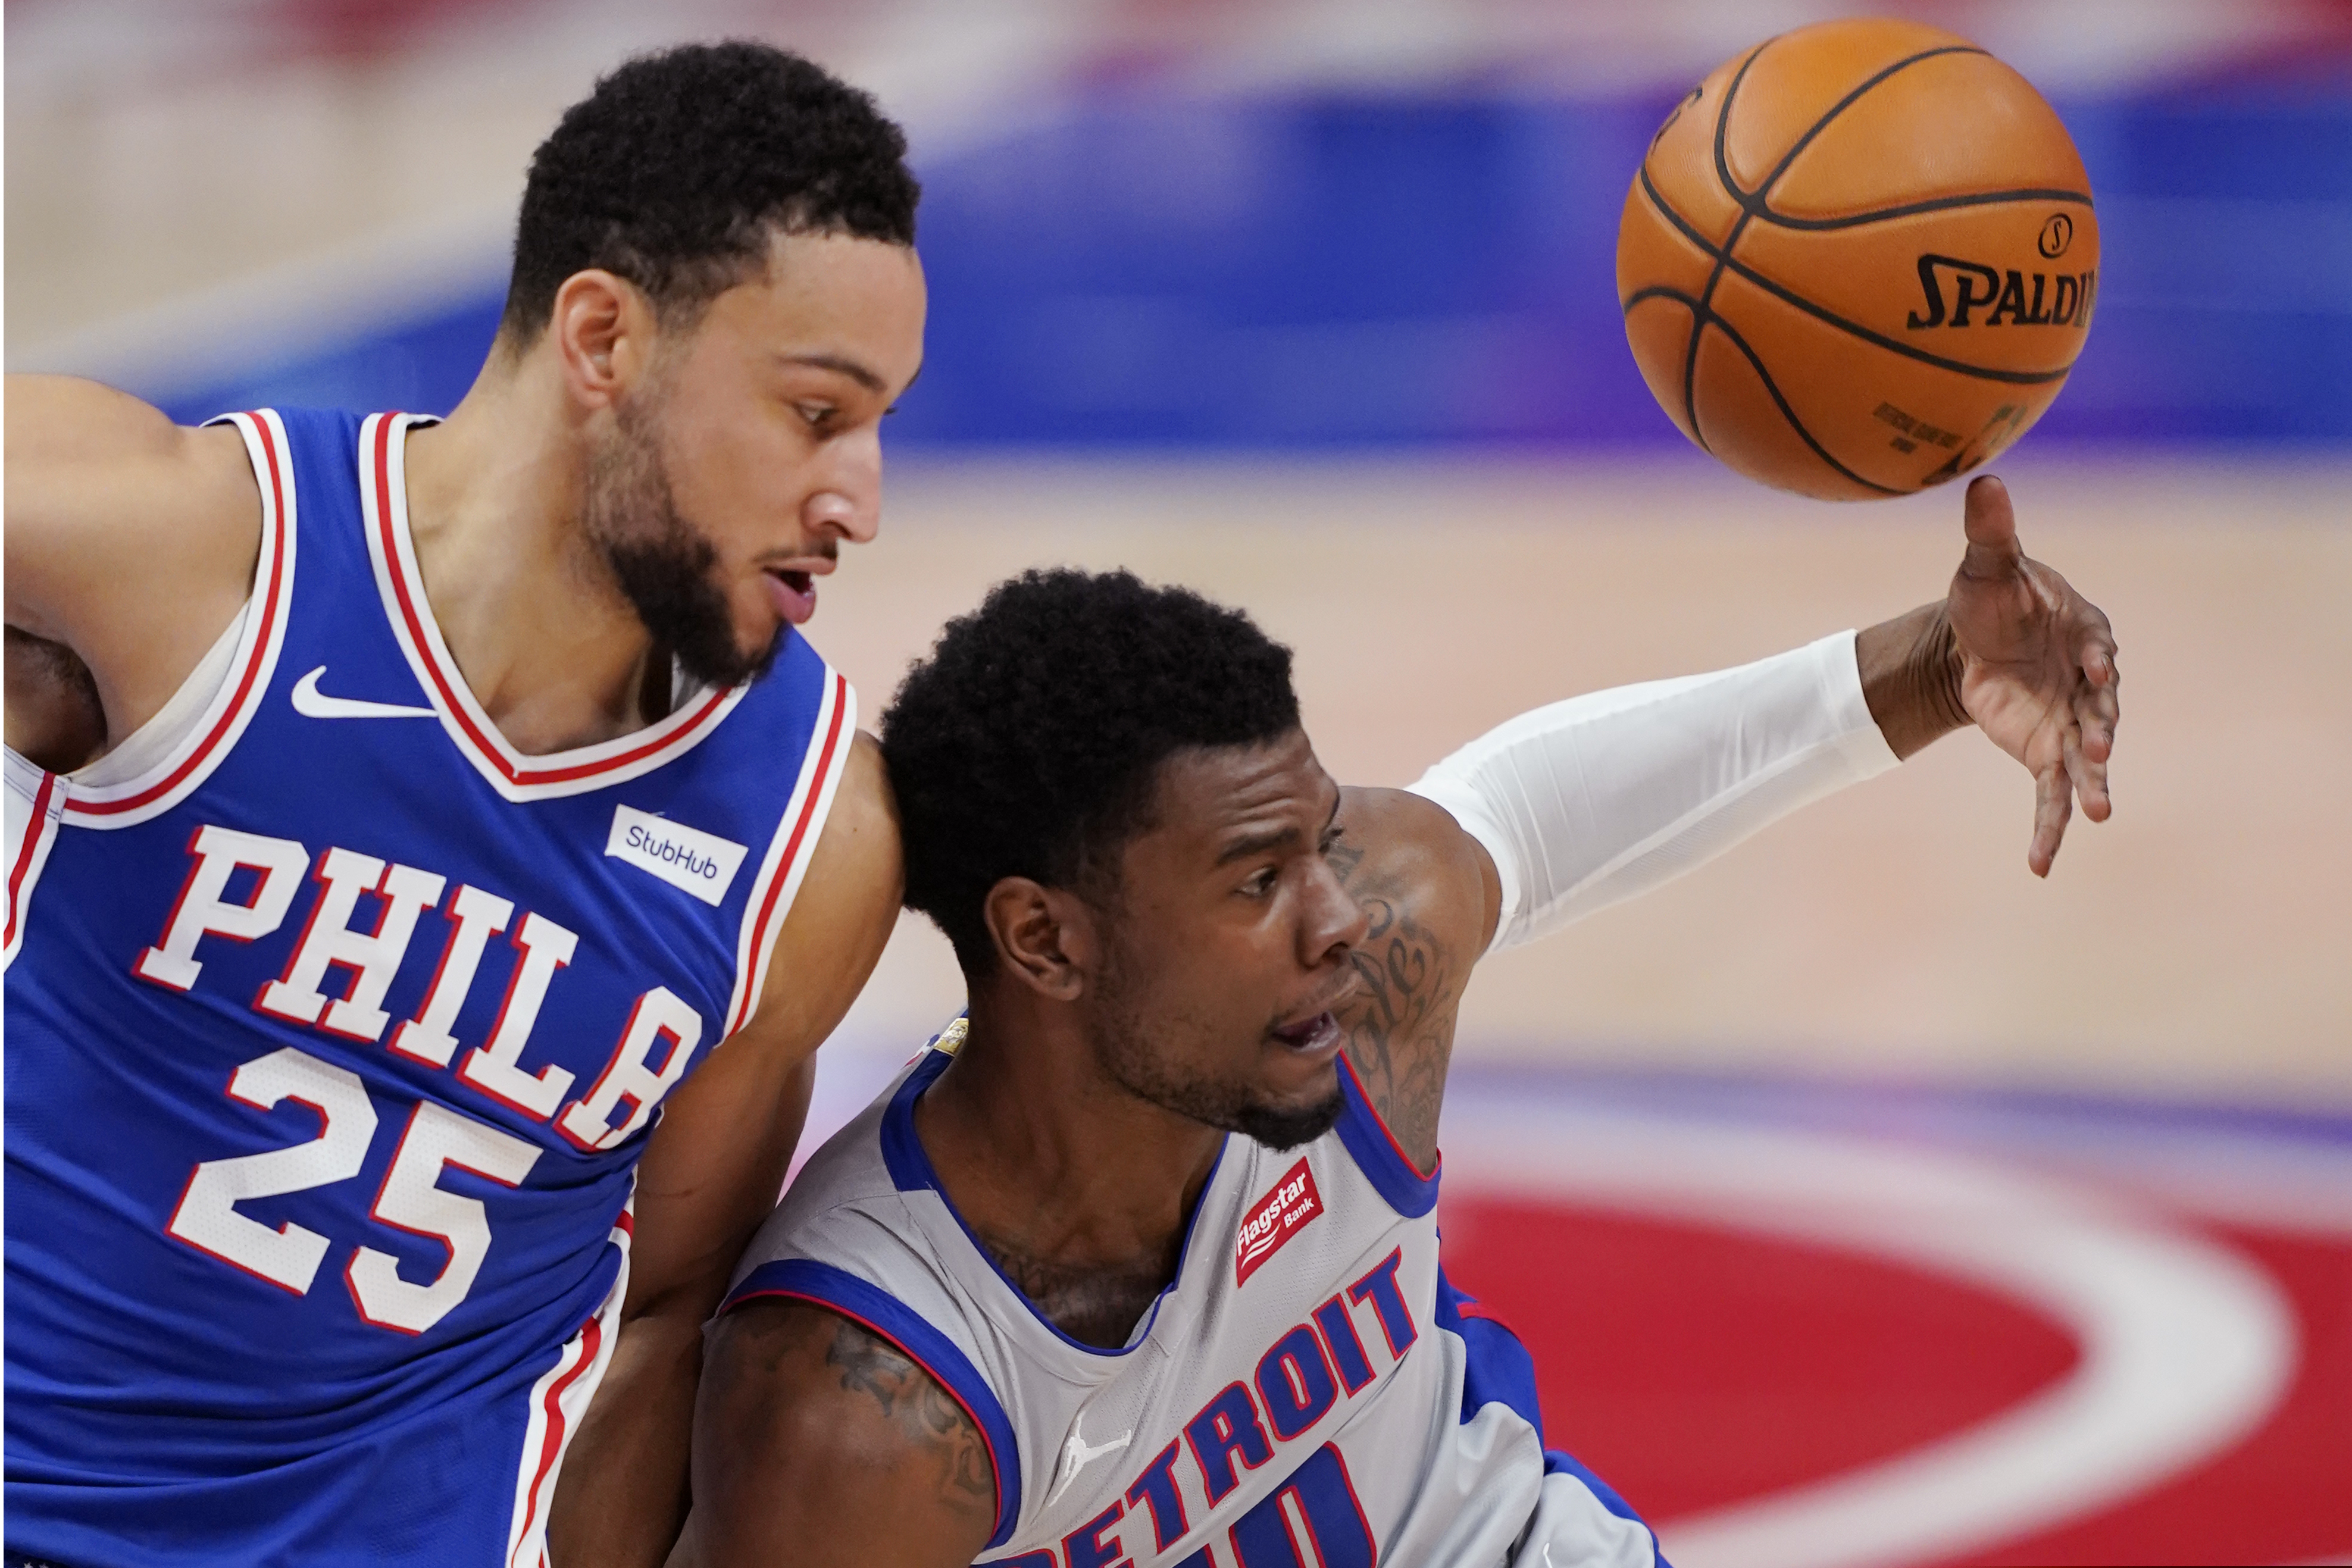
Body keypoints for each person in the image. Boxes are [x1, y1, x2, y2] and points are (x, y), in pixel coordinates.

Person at [671, 476, 2119, 1567]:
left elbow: (1526, 816)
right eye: (1255, 879)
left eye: (1317, 840)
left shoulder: (1346, 990)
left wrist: (1934, 667)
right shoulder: (858, 1409)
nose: (1336, 915)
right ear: (1042, 939)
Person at [3, 43, 923, 1568]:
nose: (860, 499)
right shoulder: (188, 556)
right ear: (602, 337)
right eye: (814, 413)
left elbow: (660, 1312)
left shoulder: (815, 840)